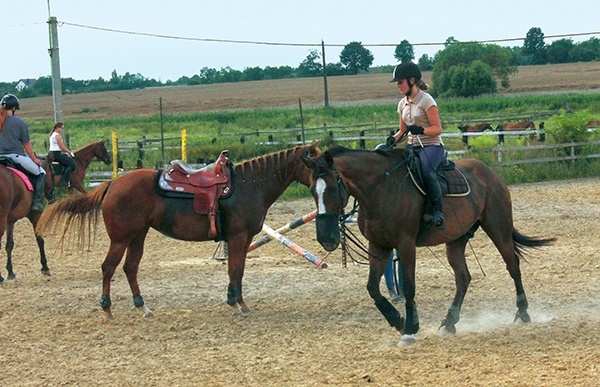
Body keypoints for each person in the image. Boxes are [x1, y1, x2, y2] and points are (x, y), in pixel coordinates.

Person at [385, 62, 445, 228]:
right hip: (412, 146)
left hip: (432, 146)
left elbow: (437, 129)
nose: (398, 86)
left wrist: (422, 130)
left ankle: (437, 212)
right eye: (397, 83)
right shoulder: (402, 104)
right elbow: (403, 131)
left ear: (412, 80)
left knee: (426, 171)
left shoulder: (427, 101)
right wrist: (393, 139)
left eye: (400, 82)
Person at [0, 93, 46, 212]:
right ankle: (36, 202)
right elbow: (26, 144)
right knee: (41, 173)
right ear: (14, 108)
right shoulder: (19, 122)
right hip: (15, 157)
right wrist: (35, 159)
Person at [48, 122, 76, 187]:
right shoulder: (57, 135)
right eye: (62, 128)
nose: (62, 130)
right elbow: (62, 147)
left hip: (53, 153)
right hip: (56, 153)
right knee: (71, 165)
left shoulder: (52, 134)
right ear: (57, 127)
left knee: (66, 159)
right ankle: (64, 180)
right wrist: (69, 152)